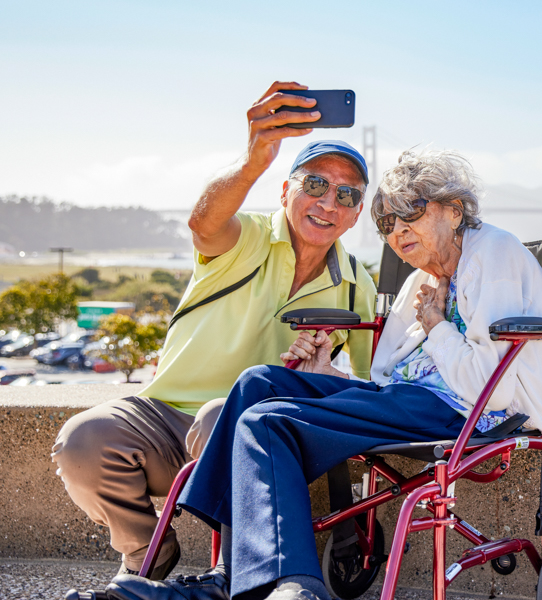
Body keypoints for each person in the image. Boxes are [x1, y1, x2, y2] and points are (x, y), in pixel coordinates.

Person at [96, 149, 542, 600]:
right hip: (415, 402)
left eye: (408, 214)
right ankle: (231, 573)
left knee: (265, 421)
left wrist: (435, 326)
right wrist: (326, 375)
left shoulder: (492, 255)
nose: (397, 232)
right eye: (386, 224)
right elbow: (382, 377)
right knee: (258, 382)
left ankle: (296, 586)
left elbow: (486, 387)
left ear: (453, 211)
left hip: (469, 412)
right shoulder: (426, 279)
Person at [56, 81, 376, 588]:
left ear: (358, 212)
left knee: (223, 415)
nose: (328, 202)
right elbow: (203, 222)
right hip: (164, 416)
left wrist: (323, 374)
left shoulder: (359, 284)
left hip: (260, 433)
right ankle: (147, 551)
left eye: (346, 194)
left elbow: (367, 381)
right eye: (314, 184)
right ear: (285, 190)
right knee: (82, 440)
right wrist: (254, 159)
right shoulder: (245, 235)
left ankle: (235, 570)